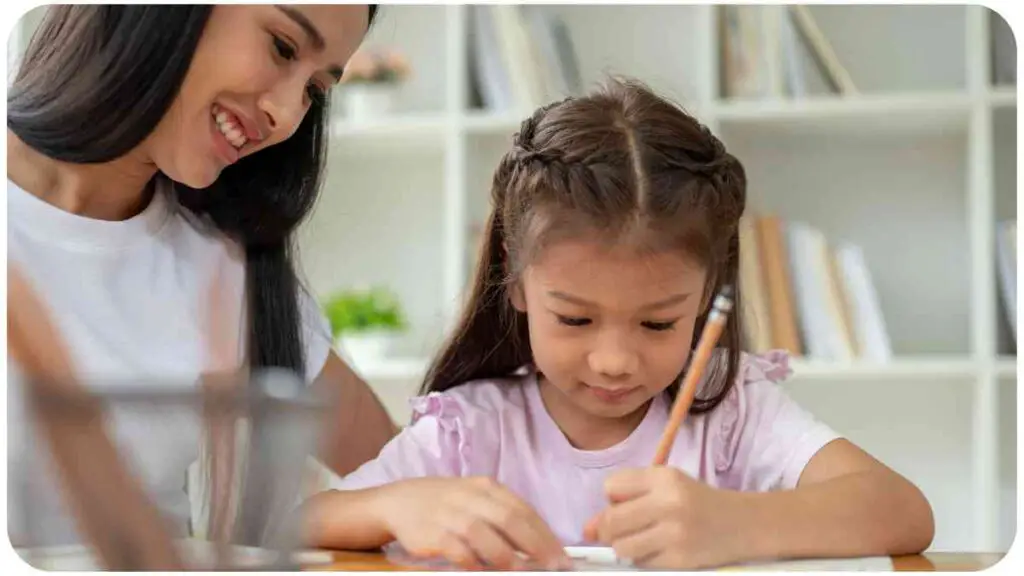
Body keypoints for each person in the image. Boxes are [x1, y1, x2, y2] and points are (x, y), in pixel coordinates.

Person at [301, 78, 936, 570]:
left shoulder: (732, 412)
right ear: (516, 281)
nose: (614, 361)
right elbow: (291, 525)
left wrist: (734, 524)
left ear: (709, 293)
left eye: (658, 324)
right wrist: (394, 504)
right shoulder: (473, 432)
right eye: (575, 318)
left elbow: (902, 511)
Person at [7, 5, 397, 545]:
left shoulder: (223, 263)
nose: (286, 116)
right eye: (282, 47)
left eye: (314, 90)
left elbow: (399, 471)